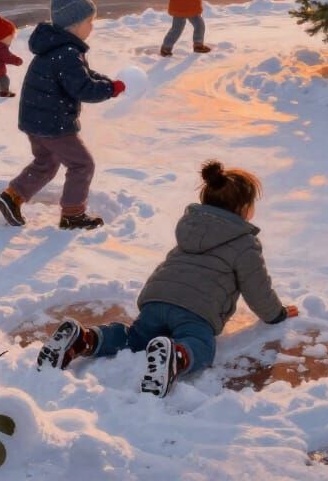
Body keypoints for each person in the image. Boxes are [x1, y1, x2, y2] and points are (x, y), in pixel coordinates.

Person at [37, 160, 299, 398]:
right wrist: (276, 314)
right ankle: (177, 357)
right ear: (244, 208)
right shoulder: (244, 243)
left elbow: (173, 266)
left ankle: (85, 339)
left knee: (134, 338)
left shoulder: (190, 229)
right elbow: (257, 288)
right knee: (201, 346)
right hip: (197, 311)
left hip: (156, 300)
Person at [0, 0, 124, 231]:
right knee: (82, 165)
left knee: (46, 163)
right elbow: (82, 88)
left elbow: (80, 75)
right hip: (54, 123)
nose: (92, 27)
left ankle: (12, 197)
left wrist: (105, 81)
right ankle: (73, 214)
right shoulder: (67, 53)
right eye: (89, 22)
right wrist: (110, 90)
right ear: (74, 26)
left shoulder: (56, 47)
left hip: (36, 120)